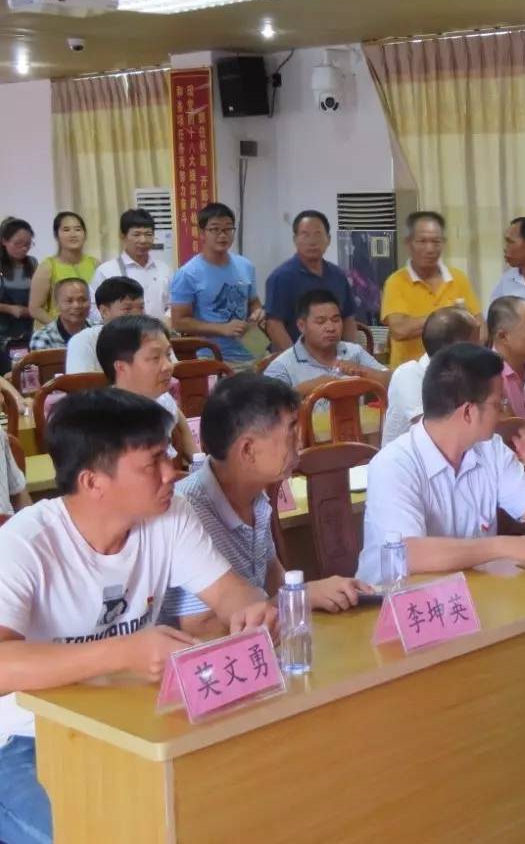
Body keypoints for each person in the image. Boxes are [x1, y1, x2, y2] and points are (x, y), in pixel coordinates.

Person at [0, 388, 275, 844]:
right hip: (26, 740)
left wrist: (251, 610)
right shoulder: (25, 544)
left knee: (239, 806)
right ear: (93, 482)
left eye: (167, 453)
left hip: (134, 724)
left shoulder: (170, 515)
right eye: (152, 463)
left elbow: (230, 593)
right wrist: (123, 653)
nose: (172, 472)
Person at [161, 374, 372, 635]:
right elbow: (202, 629)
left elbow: (275, 585)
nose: (300, 440)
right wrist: (303, 596)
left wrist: (311, 592)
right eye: (291, 429)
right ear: (248, 450)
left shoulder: (256, 498)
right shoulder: (189, 511)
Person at [357, 343, 525, 582]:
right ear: (468, 412)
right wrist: (502, 546)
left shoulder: (491, 449)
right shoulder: (394, 464)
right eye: (498, 404)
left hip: (469, 591)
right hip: (395, 598)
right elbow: (409, 554)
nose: (503, 413)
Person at [170, 203, 264, 371]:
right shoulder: (188, 273)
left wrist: (258, 312)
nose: (222, 235)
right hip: (215, 356)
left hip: (254, 347)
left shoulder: (245, 265)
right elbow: (179, 322)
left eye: (228, 229)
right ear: (202, 233)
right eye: (215, 229)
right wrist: (222, 329)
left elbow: (253, 301)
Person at [380, 211, 480, 369]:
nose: (430, 249)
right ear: (408, 243)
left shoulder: (458, 278)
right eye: (422, 241)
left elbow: (481, 328)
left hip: (454, 369)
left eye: (436, 242)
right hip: (411, 372)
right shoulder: (396, 282)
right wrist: (450, 316)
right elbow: (399, 330)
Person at [97, 315, 197, 463]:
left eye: (168, 355)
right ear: (121, 367)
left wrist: (200, 464)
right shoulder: (107, 421)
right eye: (155, 358)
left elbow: (183, 428)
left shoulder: (163, 399)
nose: (168, 366)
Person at [382, 307, 482, 444]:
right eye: (475, 343)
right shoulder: (409, 374)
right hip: (411, 457)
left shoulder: (465, 375)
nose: (481, 350)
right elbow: (435, 433)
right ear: (455, 350)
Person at [263, 210, 358, 351]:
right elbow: (274, 325)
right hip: (296, 357)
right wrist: (295, 360)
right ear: (295, 240)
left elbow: (348, 318)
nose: (312, 241)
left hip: (333, 358)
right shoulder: (281, 278)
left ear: (328, 239)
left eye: (317, 234)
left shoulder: (338, 275)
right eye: (305, 235)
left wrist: (349, 354)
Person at [263, 289, 388, 396]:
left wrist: (362, 370)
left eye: (336, 320)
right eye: (321, 322)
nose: (331, 328)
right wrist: (311, 387)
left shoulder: (354, 352)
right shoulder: (283, 365)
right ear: (301, 326)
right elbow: (266, 407)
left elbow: (392, 382)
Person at [87, 209, 171, 324]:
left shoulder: (164, 269)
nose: (143, 240)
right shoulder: (106, 271)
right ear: (123, 236)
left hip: (158, 331)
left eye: (148, 234)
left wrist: (166, 321)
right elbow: (93, 309)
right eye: (136, 234)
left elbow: (174, 304)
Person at [65, 277, 147, 374]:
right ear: (104, 311)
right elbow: (80, 382)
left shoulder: (152, 338)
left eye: (141, 307)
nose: (137, 315)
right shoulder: (83, 341)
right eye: (127, 309)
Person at [28, 212, 97, 327]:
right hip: (55, 333)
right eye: (66, 230)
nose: (73, 234)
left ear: (85, 234)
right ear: (56, 236)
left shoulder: (95, 264)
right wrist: (62, 328)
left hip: (88, 331)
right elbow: (35, 309)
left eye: (78, 229)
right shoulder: (48, 267)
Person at [0, 218, 36, 373]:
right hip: (3, 331)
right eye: (18, 243)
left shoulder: (33, 263)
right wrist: (10, 309)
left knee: (25, 372)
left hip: (26, 330)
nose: (23, 248)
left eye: (28, 244)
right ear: (4, 241)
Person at [28, 278, 89, 350]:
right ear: (56, 305)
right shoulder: (43, 338)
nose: (77, 306)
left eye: (82, 300)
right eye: (69, 301)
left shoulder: (99, 330)